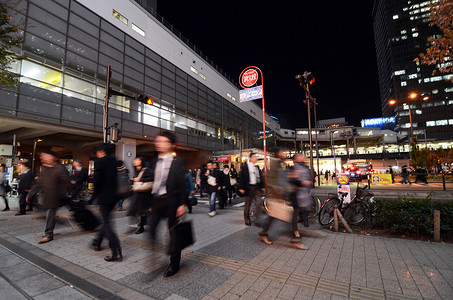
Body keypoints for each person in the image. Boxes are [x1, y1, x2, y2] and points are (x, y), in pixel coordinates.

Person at [148, 131, 187, 277]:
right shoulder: (154, 161)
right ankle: (157, 256)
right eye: (158, 141)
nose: (159, 144)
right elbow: (154, 182)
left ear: (171, 145)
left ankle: (174, 264)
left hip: (172, 202)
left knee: (173, 235)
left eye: (163, 141)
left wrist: (182, 204)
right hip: (157, 201)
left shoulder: (178, 162)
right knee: (151, 229)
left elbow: (183, 185)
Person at [27, 151, 70, 244]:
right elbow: (39, 183)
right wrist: (30, 194)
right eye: (43, 156)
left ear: (53, 157)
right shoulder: (44, 169)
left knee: (50, 214)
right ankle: (57, 225)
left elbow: (66, 182)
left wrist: (61, 194)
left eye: (46, 156)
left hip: (55, 197)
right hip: (47, 196)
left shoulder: (60, 168)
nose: (43, 158)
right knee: (49, 214)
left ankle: (49, 234)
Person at [91, 144, 122, 261]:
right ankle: (97, 242)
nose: (97, 154)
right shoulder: (116, 162)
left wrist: (94, 197)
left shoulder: (99, 163)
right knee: (107, 221)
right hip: (114, 197)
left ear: (102, 151)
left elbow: (97, 182)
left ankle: (116, 252)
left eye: (98, 151)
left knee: (107, 224)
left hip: (104, 197)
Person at [127, 157, 152, 234]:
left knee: (142, 210)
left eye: (137, 160)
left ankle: (141, 227)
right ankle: (143, 222)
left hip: (145, 193)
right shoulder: (136, 170)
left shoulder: (146, 169)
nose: (135, 161)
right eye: (135, 160)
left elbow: (151, 179)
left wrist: (140, 179)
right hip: (138, 193)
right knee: (138, 210)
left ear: (141, 161)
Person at [238, 153, 263, 226]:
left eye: (256, 157)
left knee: (259, 203)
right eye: (254, 157)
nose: (256, 158)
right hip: (248, 187)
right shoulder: (245, 167)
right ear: (250, 158)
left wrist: (262, 187)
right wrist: (241, 187)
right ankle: (247, 219)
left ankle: (256, 219)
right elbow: (241, 178)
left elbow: (259, 178)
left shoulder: (257, 167)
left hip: (256, 187)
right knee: (248, 205)